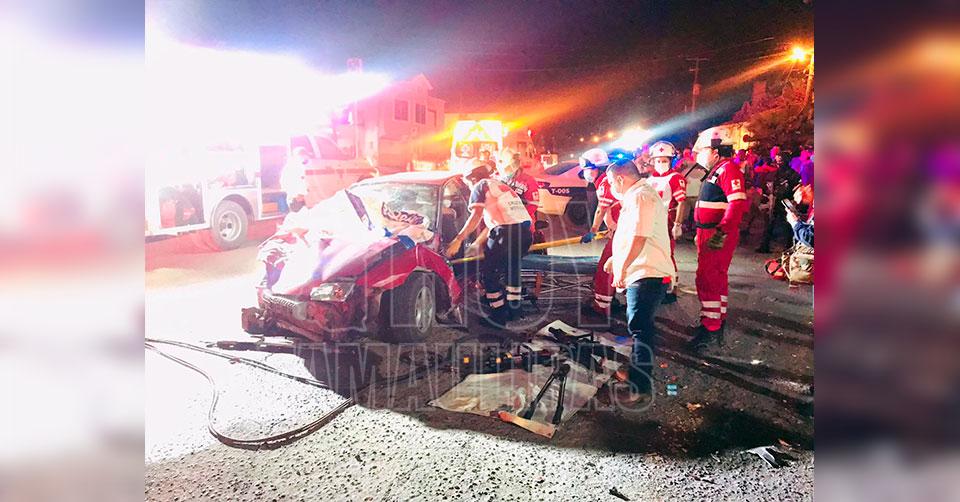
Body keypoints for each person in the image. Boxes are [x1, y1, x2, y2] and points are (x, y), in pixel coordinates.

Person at [603, 157, 674, 405]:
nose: (611, 187)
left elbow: (640, 237)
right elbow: (630, 235)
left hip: (647, 273)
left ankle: (640, 387)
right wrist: (615, 258)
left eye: (611, 182)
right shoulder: (636, 196)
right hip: (643, 271)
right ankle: (634, 373)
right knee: (639, 326)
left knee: (641, 329)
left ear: (620, 179)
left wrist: (621, 270)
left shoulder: (641, 197)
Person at [445, 160, 532, 328]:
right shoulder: (499, 185)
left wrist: (458, 240)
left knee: (489, 274)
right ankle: (514, 310)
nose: (467, 185)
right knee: (511, 270)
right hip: (524, 233)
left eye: (466, 182)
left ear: (472, 178)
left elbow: (476, 216)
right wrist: (478, 243)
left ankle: (497, 316)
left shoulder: (480, 186)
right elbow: (495, 223)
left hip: (506, 234)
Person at [688, 138, 748, 351]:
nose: (698, 155)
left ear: (715, 151)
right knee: (716, 277)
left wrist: (722, 230)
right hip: (709, 230)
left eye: (701, 150)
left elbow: (737, 203)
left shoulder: (727, 169)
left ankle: (710, 327)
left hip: (716, 231)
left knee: (708, 278)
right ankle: (716, 319)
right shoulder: (719, 170)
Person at [644, 140, 688, 303]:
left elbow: (682, 202)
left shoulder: (675, 178)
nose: (661, 163)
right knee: (654, 255)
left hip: (667, 221)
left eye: (664, 160)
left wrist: (677, 224)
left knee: (667, 255)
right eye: (658, 160)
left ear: (671, 161)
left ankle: (672, 289)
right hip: (653, 222)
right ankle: (658, 286)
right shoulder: (650, 180)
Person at [578, 148, 620, 316]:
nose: (586, 173)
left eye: (588, 169)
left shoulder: (604, 183)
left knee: (605, 267)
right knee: (614, 266)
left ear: (598, 168)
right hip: (621, 229)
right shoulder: (608, 180)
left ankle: (601, 307)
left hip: (623, 232)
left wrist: (593, 230)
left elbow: (601, 210)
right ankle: (610, 299)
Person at [756, 149, 802, 253]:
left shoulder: (792, 174)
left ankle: (789, 246)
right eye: (778, 161)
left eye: (781, 161)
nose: (779, 163)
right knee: (771, 223)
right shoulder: (776, 173)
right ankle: (766, 245)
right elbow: (768, 186)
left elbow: (796, 188)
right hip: (776, 200)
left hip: (786, 201)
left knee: (788, 224)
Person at [495, 149, 541, 230]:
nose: (506, 172)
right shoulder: (495, 179)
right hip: (500, 223)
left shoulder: (528, 181)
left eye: (508, 169)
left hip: (523, 224)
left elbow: (534, 203)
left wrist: (519, 216)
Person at [280, 146, 313, 212]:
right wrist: (296, 195)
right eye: (304, 156)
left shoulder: (297, 165)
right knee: (299, 215)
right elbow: (286, 183)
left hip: (298, 198)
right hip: (296, 199)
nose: (306, 158)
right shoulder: (294, 167)